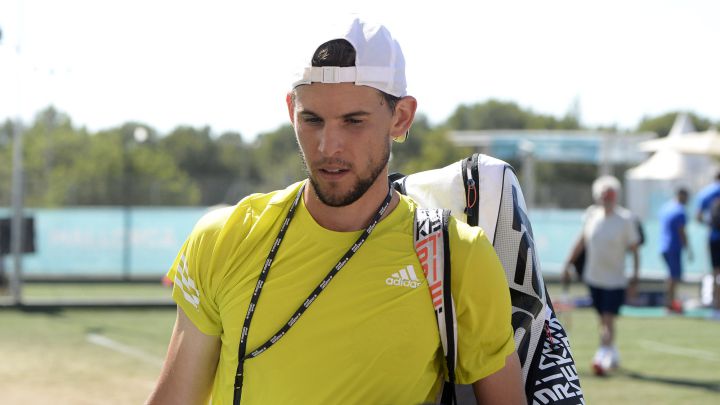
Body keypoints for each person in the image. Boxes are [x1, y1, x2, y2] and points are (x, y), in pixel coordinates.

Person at [146, 18, 525, 405]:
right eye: (312, 119)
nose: (329, 146)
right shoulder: (224, 237)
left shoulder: (456, 255)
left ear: (401, 117)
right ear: (291, 109)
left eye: (353, 121)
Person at [562, 175, 640, 375]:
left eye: (611, 194)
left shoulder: (625, 219)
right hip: (594, 277)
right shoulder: (592, 215)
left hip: (615, 279)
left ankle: (602, 355)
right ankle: (610, 351)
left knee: (608, 318)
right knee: (603, 318)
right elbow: (581, 241)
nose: (607, 198)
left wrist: (635, 277)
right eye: (604, 195)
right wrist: (568, 263)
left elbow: (634, 249)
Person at [658, 187, 692, 313]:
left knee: (672, 276)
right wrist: (688, 248)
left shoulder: (666, 207)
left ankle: (670, 302)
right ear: (682, 196)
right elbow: (681, 231)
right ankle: (670, 304)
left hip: (663, 246)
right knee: (674, 277)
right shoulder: (680, 211)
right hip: (673, 246)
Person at [695, 171, 720, 318]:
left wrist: (710, 224)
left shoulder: (707, 192)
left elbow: (698, 216)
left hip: (714, 237)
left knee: (715, 273)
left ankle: (716, 306)